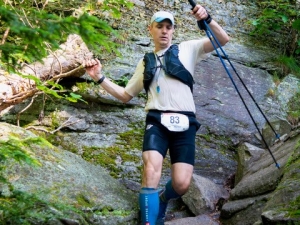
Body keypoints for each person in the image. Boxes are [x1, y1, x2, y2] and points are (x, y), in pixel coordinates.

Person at [84, 4, 229, 225]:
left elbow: (222, 39)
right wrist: (99, 77)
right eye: (159, 26)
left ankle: (162, 198)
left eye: (168, 27)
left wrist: (207, 18)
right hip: (156, 122)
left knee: (181, 184)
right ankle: (149, 222)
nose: (164, 31)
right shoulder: (145, 62)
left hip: (185, 123)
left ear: (173, 31)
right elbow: (125, 95)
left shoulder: (188, 49)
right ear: (149, 30)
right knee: (151, 169)